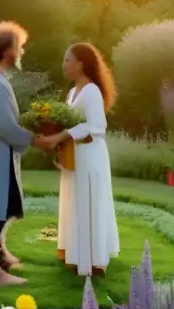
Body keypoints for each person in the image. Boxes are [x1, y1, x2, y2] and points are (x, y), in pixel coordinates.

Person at [0, 21, 48, 287]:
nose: (21, 52)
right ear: (6, 50)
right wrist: (36, 140)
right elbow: (5, 127)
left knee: (5, 207)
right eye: (19, 47)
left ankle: (0, 254)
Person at [39, 43, 120, 276]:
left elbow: (96, 126)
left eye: (67, 60)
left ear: (81, 64)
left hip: (90, 156)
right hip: (74, 156)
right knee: (75, 204)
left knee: (88, 203)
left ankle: (94, 261)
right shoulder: (72, 93)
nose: (63, 65)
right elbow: (70, 124)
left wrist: (62, 135)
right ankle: (75, 254)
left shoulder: (92, 91)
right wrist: (59, 147)